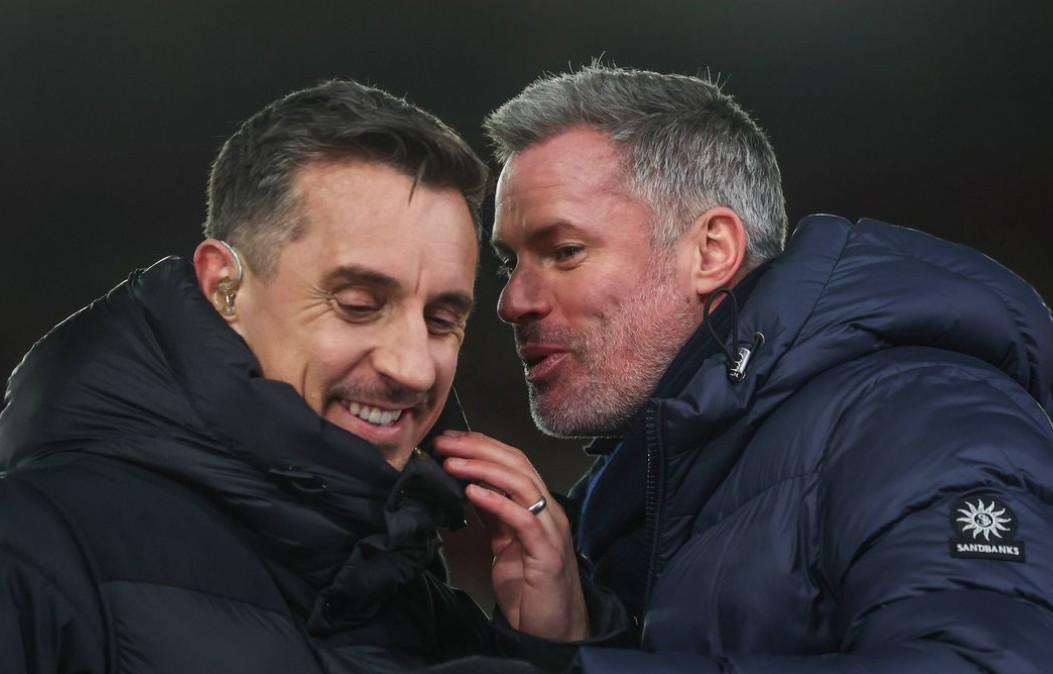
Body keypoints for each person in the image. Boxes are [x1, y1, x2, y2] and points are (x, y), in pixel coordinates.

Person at [434, 65, 1053, 672]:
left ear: (711, 252)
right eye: (510, 262)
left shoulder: (924, 417)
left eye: (565, 251)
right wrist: (565, 643)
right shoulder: (630, 492)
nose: (512, 301)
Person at [0, 79, 497, 673]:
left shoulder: (430, 605)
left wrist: (548, 640)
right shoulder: (32, 548)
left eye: (442, 321)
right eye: (359, 305)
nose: (412, 368)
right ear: (224, 287)